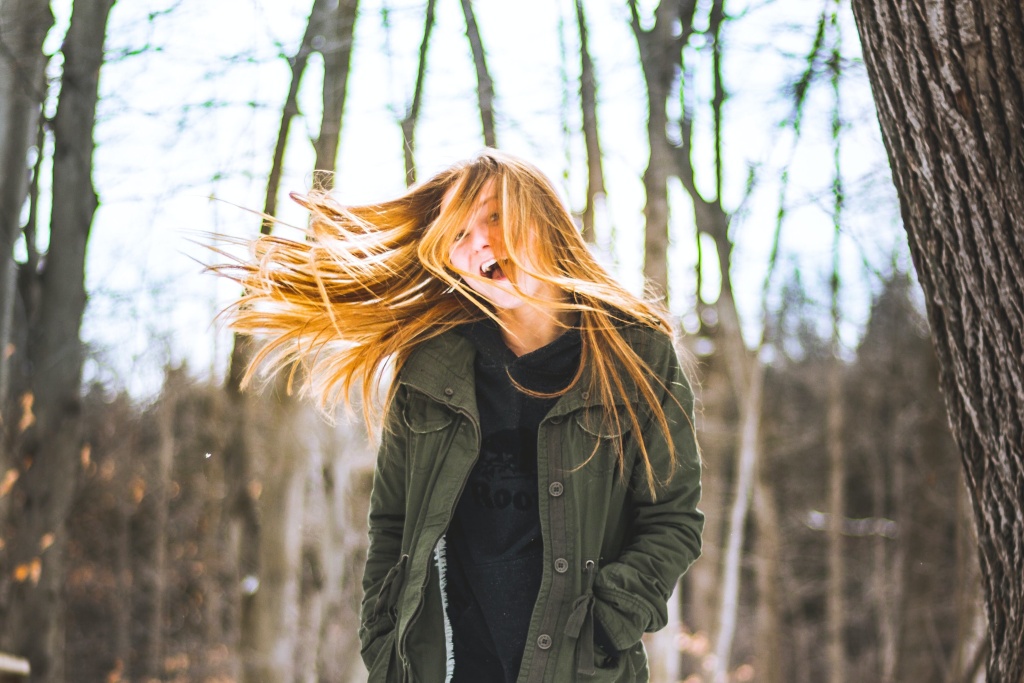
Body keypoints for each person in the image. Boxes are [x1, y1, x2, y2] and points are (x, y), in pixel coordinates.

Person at [222, 149, 703, 682]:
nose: (479, 242)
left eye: (494, 215)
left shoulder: (636, 354)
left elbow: (672, 519)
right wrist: (385, 647)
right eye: (457, 234)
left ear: (541, 217)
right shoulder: (431, 367)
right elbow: (392, 525)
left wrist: (609, 622)